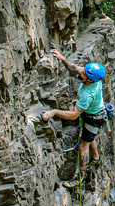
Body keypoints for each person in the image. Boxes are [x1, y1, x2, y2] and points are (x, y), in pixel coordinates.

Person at [43, 49, 110, 187]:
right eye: (84, 70)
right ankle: (96, 158)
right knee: (90, 137)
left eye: (84, 73)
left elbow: (74, 115)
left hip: (94, 118)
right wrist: (62, 58)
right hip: (95, 114)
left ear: (91, 79)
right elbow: (74, 68)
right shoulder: (92, 78)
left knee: (83, 145)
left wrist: (54, 112)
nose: (81, 72)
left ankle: (80, 179)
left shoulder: (88, 95)